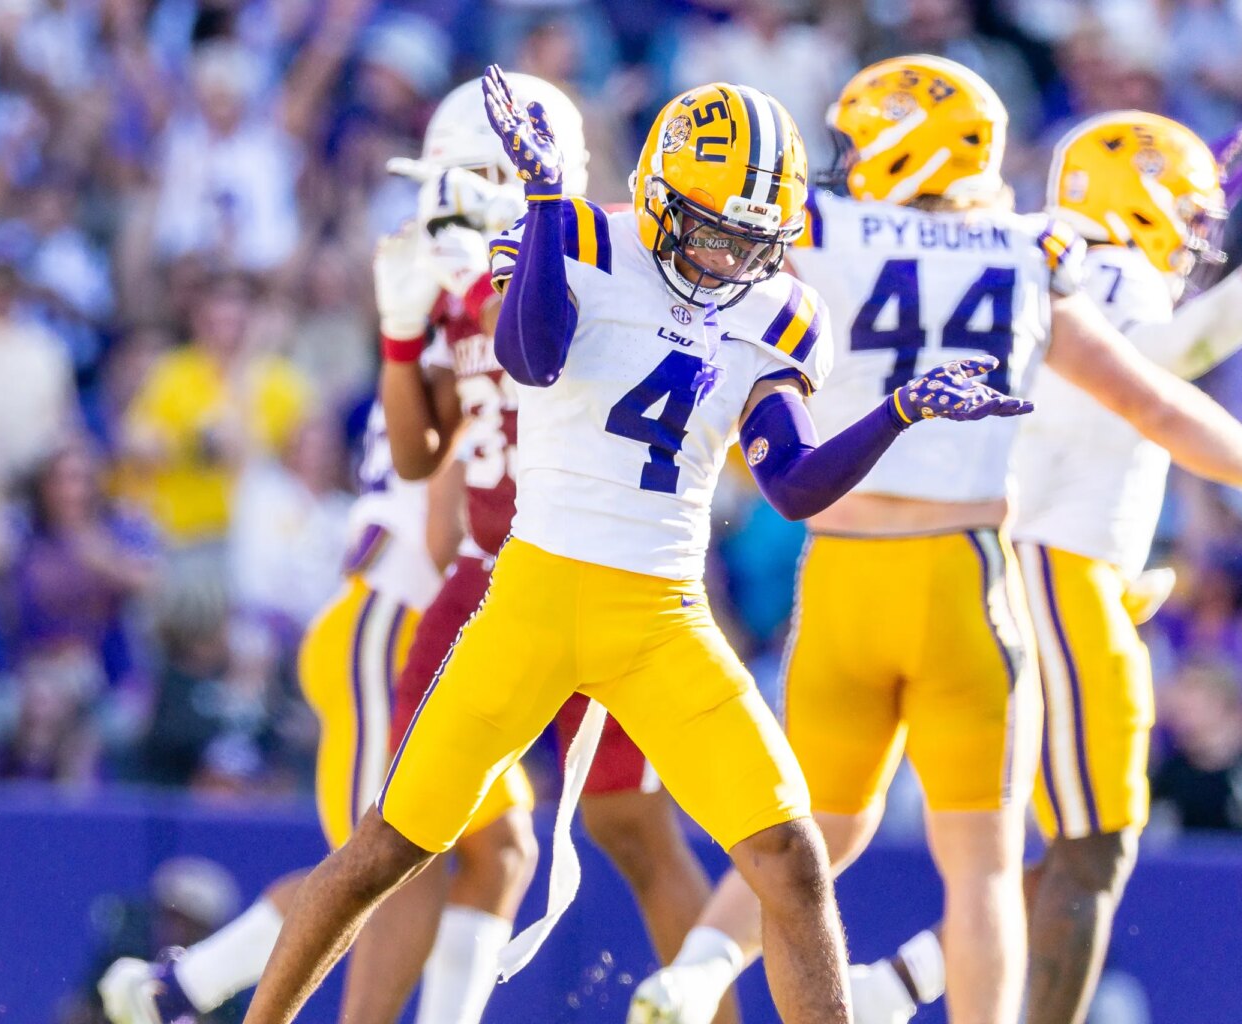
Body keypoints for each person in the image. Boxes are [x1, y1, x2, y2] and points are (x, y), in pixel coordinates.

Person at [242, 66, 1032, 1024]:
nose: (725, 256)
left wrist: (899, 411)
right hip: (532, 602)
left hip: (661, 617)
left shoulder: (777, 306)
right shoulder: (581, 234)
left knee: (790, 857)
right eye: (709, 228)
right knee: (388, 849)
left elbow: (788, 482)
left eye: (751, 239)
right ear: (659, 193)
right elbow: (531, 360)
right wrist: (541, 207)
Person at [632, 57, 1242, 1024]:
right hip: (965, 576)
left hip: (845, 573)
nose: (849, 161)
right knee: (983, 870)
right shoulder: (1027, 250)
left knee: (813, 836)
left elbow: (711, 255)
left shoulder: (825, 229)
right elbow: (1158, 394)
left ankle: (701, 971)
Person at [845, 113, 1242, 1024]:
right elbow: (1175, 361)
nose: (1200, 242)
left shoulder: (1079, 264)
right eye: (1191, 217)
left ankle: (895, 987)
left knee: (1083, 845)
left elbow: (1167, 348)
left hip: (1048, 570)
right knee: (1095, 846)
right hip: (1056, 571)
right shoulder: (1101, 265)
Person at [380, 71, 742, 1023]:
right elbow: (433, 458)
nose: (435, 208)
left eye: (456, 181)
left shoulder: (601, 248)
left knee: (630, 826)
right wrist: (398, 329)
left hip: (595, 564)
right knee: (415, 833)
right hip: (493, 577)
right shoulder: (450, 285)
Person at [98, 405, 463, 1023]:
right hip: (397, 630)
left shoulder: (465, 347)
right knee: (384, 866)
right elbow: (448, 531)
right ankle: (179, 991)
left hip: (444, 637)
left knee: (499, 853)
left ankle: (184, 985)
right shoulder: (464, 347)